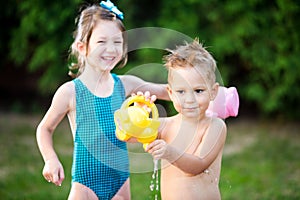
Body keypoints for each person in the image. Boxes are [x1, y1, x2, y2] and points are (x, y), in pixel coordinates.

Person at [35, 1, 169, 200]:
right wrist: (50, 159)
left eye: (117, 42)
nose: (111, 49)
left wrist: (201, 89)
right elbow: (44, 128)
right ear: (82, 47)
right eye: (101, 42)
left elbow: (167, 91)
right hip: (85, 183)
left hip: (120, 180)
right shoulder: (70, 92)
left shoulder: (125, 84)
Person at [145, 39, 229, 200]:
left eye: (198, 90)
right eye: (181, 92)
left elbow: (198, 165)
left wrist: (169, 152)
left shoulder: (214, 127)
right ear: (170, 93)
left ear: (213, 91)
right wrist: (139, 114)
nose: (189, 99)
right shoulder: (166, 126)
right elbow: (126, 135)